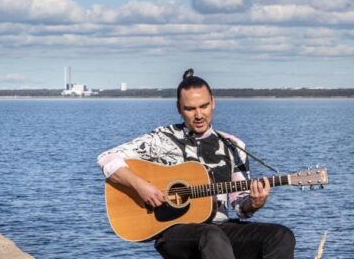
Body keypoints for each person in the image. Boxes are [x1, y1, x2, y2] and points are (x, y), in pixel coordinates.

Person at [96, 69, 295, 258]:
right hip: (173, 232)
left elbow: (240, 206)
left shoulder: (233, 146)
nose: (199, 115)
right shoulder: (162, 139)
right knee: (211, 236)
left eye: (203, 106)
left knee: (280, 236)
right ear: (178, 108)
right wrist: (141, 187)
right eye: (190, 109)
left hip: (220, 229)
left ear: (213, 102)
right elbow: (106, 158)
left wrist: (253, 203)